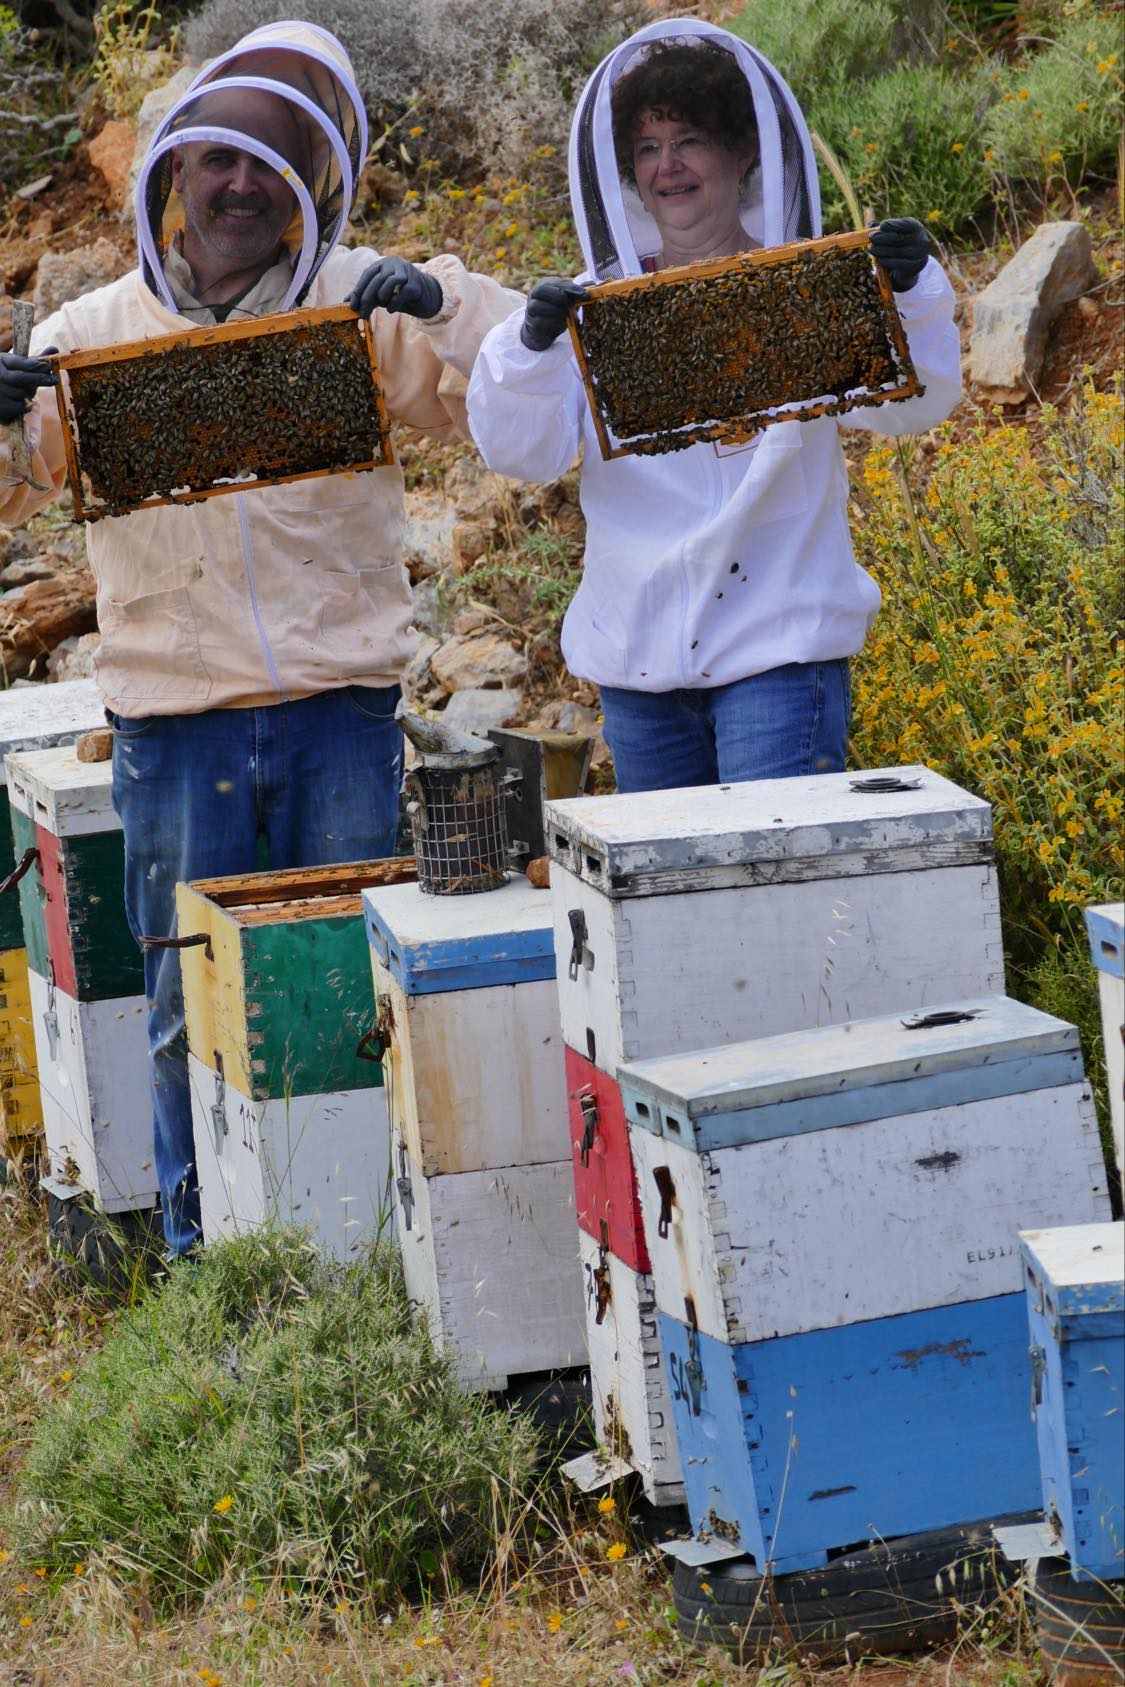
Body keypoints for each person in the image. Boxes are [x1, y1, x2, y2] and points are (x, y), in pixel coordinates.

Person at [0, 22, 522, 1257]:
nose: (240, 185)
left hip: (340, 715)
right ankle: (207, 1260)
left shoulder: (360, 308)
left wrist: (446, 299)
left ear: (308, 185)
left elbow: (517, 394)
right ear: (171, 176)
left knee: (348, 994)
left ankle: (366, 1257)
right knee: (189, 1004)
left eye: (270, 162)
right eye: (217, 161)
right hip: (174, 732)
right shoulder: (88, 335)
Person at [467, 19, 962, 794]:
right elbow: (520, 453)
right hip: (638, 669)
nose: (667, 166)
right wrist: (529, 351)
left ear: (743, 151)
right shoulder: (596, 312)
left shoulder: (803, 291)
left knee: (773, 892)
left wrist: (910, 293)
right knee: (674, 904)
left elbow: (912, 406)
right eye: (646, 149)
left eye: (688, 139)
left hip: (778, 655)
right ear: (626, 175)